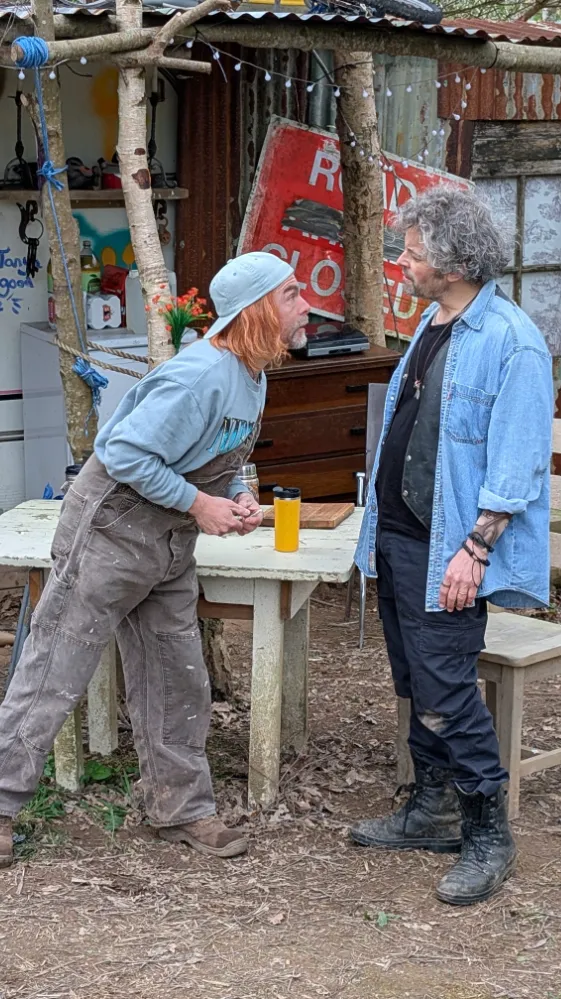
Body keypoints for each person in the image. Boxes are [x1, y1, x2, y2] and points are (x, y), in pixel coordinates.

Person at [0, 251, 310, 868]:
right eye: (292, 295)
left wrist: (238, 494)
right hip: (110, 532)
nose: (306, 305)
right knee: (55, 671)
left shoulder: (254, 373)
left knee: (177, 676)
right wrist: (200, 504)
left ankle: (181, 808)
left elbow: (224, 455)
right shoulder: (200, 375)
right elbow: (122, 453)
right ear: (256, 311)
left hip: (167, 544)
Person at [351, 186, 553, 906]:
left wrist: (474, 549)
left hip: (451, 550)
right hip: (403, 537)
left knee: (445, 691)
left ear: (456, 262)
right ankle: (431, 809)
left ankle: (488, 835)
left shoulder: (512, 341)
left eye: (413, 253)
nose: (402, 263)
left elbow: (518, 462)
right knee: (415, 682)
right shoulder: (437, 321)